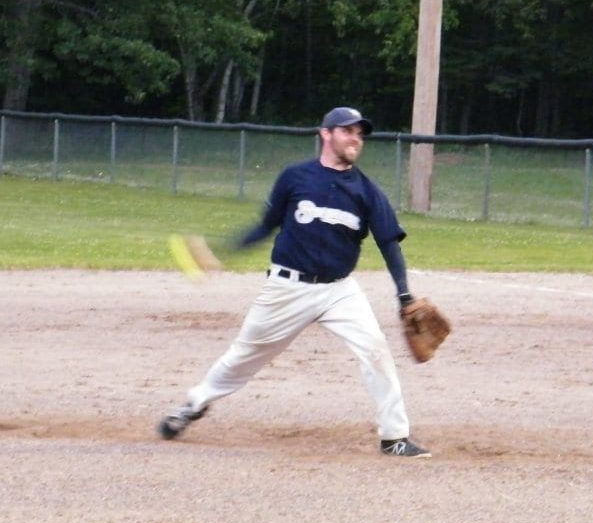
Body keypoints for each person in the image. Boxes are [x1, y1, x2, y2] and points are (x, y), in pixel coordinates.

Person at [157, 106, 432, 457]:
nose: (355, 139)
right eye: (347, 131)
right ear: (326, 134)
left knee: (376, 351)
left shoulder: (367, 192)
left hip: (339, 290)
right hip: (287, 288)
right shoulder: (295, 177)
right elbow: (265, 226)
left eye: (359, 133)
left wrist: (404, 295)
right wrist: (222, 252)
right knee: (243, 356)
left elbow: (389, 244)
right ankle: (194, 404)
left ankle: (394, 437)